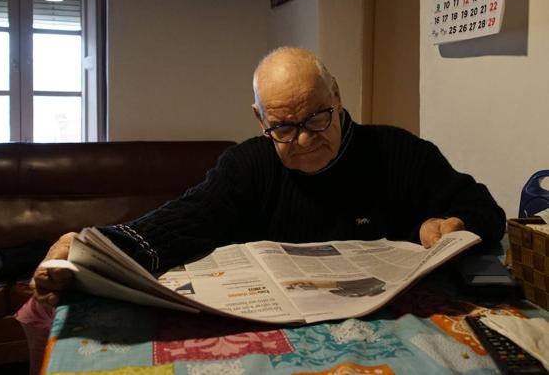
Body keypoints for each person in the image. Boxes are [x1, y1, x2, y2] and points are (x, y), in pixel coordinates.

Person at [30, 46, 505, 307]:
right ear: (260, 119)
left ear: (336, 95)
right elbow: (187, 218)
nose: (302, 141)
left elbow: (487, 210)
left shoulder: (399, 151)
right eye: (282, 127)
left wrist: (453, 224)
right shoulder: (249, 164)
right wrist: (95, 245)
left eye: (317, 118)